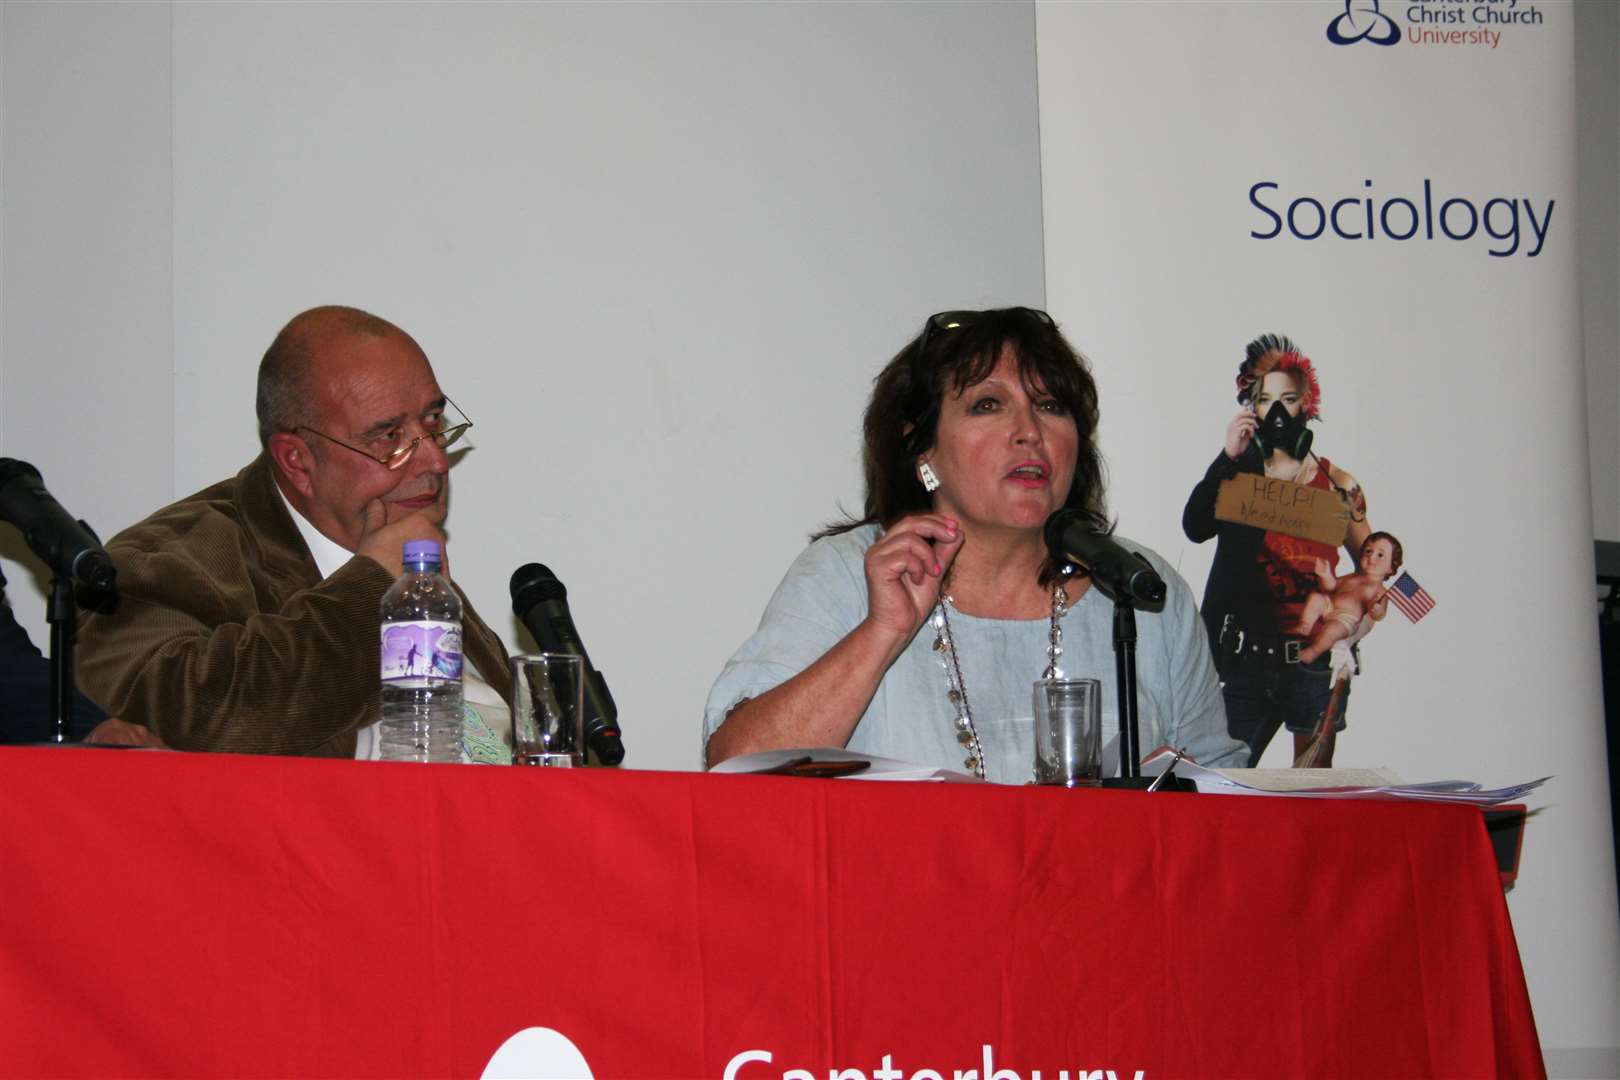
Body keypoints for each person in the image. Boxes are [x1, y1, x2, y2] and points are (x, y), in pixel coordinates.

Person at [703, 307, 1246, 783]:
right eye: (988, 404)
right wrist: (883, 631)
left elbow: (1227, 789)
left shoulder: (1137, 584)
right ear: (923, 452)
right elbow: (737, 765)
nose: (1028, 429)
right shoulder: (848, 574)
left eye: (1051, 405)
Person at [77, 305, 511, 757]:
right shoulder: (165, 562)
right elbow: (184, 720)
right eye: (389, 438)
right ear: (297, 462)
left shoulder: (406, 544)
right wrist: (371, 593)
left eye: (432, 422)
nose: (436, 461)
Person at [1182, 334, 1371, 766]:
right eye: (1266, 400)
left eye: (1289, 398)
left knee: (1311, 796)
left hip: (1311, 665)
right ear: (1252, 408)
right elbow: (1194, 527)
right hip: (1247, 661)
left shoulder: (1338, 484)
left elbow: (1373, 567)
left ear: (1308, 403)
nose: (1279, 411)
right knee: (1221, 784)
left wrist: (1351, 634)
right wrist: (1227, 457)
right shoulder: (1237, 478)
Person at [1294, 532, 1401, 665]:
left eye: (1380, 555)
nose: (1371, 557)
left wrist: (1376, 608)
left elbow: (1379, 615)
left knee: (1331, 631)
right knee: (1316, 597)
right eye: (1368, 551)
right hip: (1330, 608)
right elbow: (1331, 588)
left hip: (1345, 621)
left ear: (1391, 567)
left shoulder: (1379, 591)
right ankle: (1304, 626)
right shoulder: (1352, 577)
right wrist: (1326, 576)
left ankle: (1313, 652)